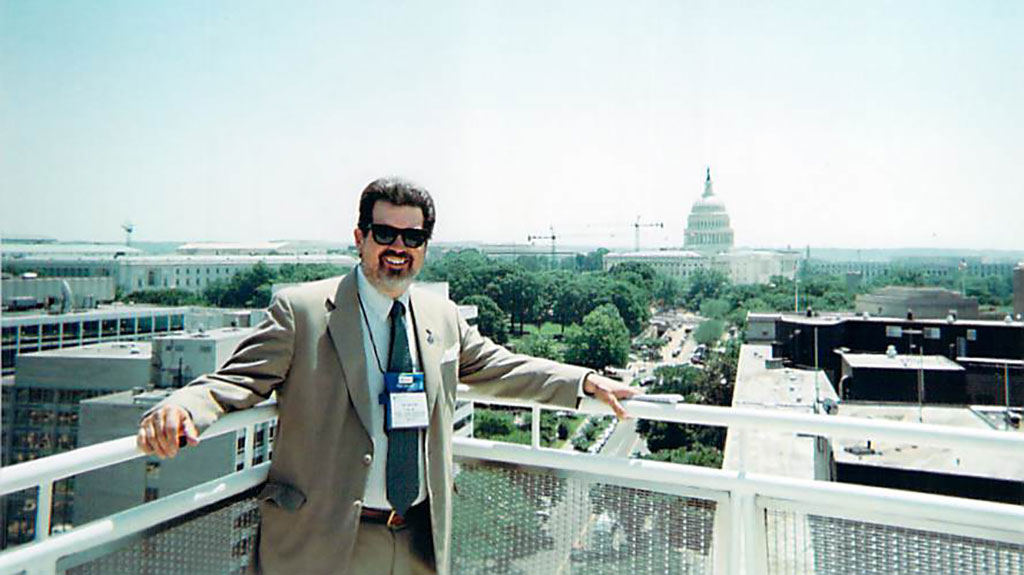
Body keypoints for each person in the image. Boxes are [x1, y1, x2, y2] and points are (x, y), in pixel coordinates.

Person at [137, 177, 638, 575]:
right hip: (327, 540)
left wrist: (585, 382)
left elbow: (500, 366)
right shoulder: (304, 311)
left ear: (425, 247)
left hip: (417, 537)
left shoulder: (441, 316)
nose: (398, 247)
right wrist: (183, 408)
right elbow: (236, 380)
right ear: (360, 238)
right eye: (385, 234)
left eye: (413, 237)